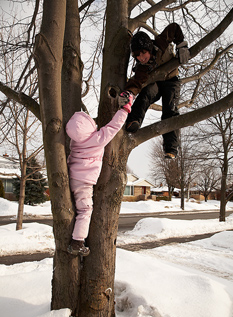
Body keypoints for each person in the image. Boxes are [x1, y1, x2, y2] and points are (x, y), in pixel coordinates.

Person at [66, 92, 133, 256]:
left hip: (72, 177)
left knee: (77, 208)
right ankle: (77, 242)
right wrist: (125, 109)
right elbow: (113, 126)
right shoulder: (96, 139)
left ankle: (77, 237)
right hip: (84, 181)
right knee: (85, 210)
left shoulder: (74, 141)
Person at [124, 23, 190, 159]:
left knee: (170, 109)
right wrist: (129, 93)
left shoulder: (161, 43)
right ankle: (133, 121)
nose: (142, 58)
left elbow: (174, 28)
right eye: (137, 56)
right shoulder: (142, 67)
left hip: (171, 80)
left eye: (143, 53)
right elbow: (136, 83)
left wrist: (181, 45)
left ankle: (171, 147)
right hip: (156, 84)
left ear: (149, 47)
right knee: (145, 94)